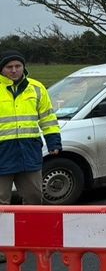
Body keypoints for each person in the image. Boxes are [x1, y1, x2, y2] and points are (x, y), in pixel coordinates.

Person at [0, 50, 61, 205]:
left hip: (28, 152)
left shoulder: (36, 88)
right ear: (1, 69)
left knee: (34, 197)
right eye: (9, 67)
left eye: (18, 66)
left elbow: (48, 118)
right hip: (2, 153)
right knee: (1, 201)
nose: (14, 70)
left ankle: (32, 229)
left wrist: (53, 142)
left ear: (23, 66)